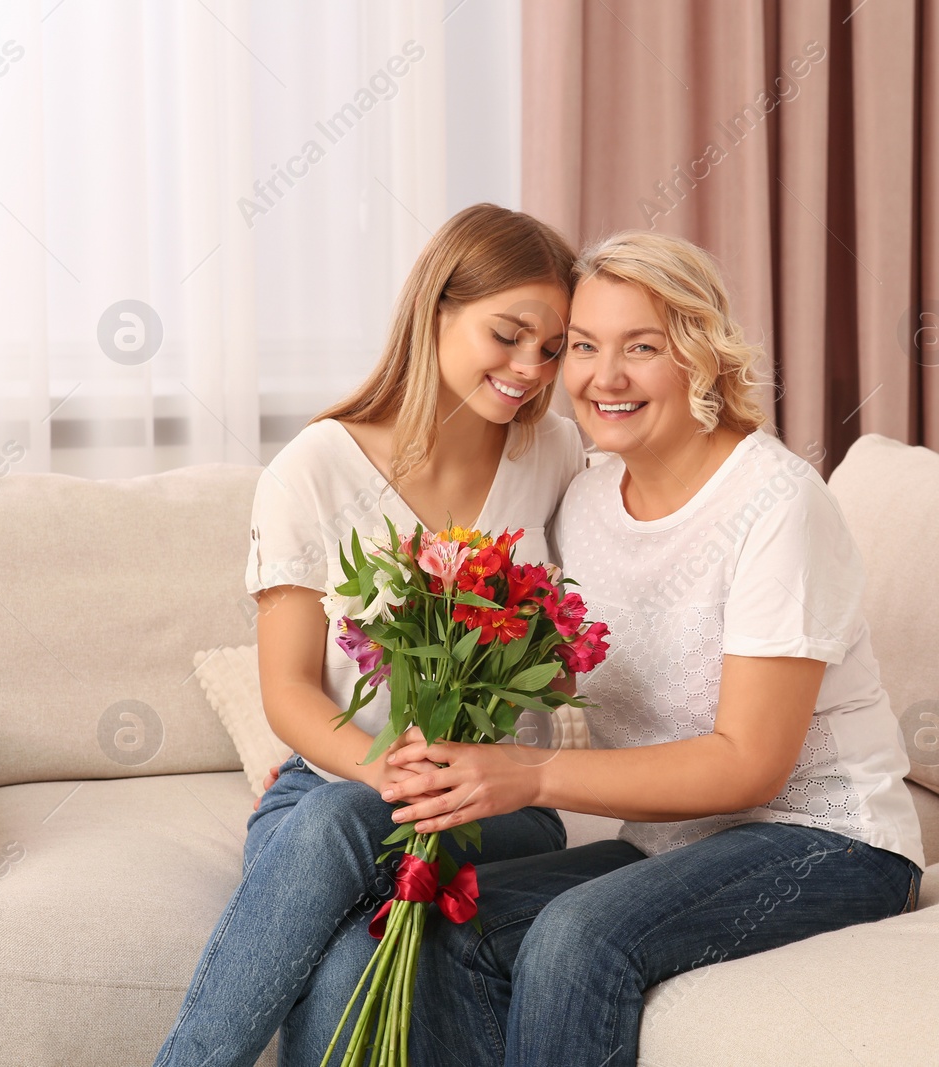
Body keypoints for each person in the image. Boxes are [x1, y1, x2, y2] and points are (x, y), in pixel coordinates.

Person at [313, 230, 925, 1067]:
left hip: (828, 840)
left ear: (701, 358)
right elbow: (527, 662)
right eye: (584, 348)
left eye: (642, 348)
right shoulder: (586, 500)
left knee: (577, 936)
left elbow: (752, 766)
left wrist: (530, 776)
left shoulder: (776, 501)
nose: (606, 377)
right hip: (674, 842)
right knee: (450, 920)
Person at [153, 203, 586, 1067]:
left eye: (552, 348)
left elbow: (585, 637)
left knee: (341, 831)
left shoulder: (559, 457)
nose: (530, 368)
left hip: (491, 809)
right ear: (436, 311)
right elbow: (289, 690)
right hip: (330, 795)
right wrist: (377, 766)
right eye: (508, 334)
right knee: (349, 925)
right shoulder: (316, 468)